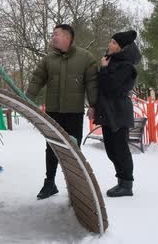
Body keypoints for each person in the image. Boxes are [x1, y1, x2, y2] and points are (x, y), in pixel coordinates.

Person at [26, 24, 98, 200]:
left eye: (56, 34)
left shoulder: (85, 57)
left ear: (67, 37)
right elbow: (37, 80)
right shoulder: (48, 59)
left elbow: (92, 83)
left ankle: (76, 186)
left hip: (74, 113)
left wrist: (93, 105)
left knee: (73, 150)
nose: (53, 37)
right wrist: (27, 99)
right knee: (51, 148)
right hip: (53, 112)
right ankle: (49, 183)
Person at [94, 30, 141, 197]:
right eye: (111, 42)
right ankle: (121, 180)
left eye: (114, 43)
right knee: (111, 150)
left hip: (119, 112)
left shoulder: (127, 66)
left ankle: (126, 184)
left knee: (120, 150)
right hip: (109, 112)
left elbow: (111, 88)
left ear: (122, 48)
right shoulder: (112, 62)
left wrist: (104, 69)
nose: (110, 44)